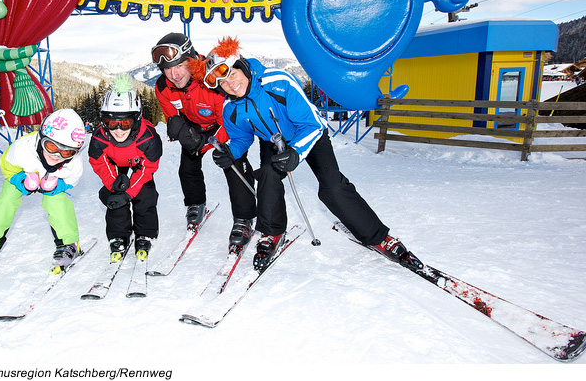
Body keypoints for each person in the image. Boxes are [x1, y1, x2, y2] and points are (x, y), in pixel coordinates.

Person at [198, 37, 421, 270]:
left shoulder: (278, 83)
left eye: (232, 75)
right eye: (222, 83)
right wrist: (230, 152)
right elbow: (242, 138)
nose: (230, 85)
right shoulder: (230, 107)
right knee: (267, 175)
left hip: (306, 131)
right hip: (272, 140)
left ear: (241, 66)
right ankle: (272, 233)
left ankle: (377, 237)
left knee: (332, 187)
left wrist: (295, 151)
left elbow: (312, 124)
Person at [152, 32, 256, 251]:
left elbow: (229, 120)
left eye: (179, 65)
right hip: (194, 126)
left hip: (225, 125)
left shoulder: (211, 80)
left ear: (191, 61)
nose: (174, 74)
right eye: (168, 69)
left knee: (233, 163)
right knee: (187, 167)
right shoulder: (162, 87)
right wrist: (182, 132)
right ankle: (195, 203)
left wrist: (207, 143)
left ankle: (244, 218)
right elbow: (173, 115)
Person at [0, 109, 87, 278]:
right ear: (41, 139)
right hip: (23, 172)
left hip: (52, 179)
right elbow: (7, 166)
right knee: (6, 200)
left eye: (66, 152)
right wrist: (20, 179)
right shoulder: (22, 148)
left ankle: (68, 243)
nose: (56, 156)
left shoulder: (73, 164)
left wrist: (58, 186)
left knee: (57, 202)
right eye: (51, 146)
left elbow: (71, 181)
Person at [88, 74, 163, 262]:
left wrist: (129, 192)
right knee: (115, 199)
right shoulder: (100, 137)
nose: (118, 130)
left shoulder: (148, 138)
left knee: (145, 194)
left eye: (125, 123)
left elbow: (148, 168)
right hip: (114, 165)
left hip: (138, 163)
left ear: (136, 120)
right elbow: (98, 162)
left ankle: (145, 232)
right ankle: (118, 235)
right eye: (111, 123)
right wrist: (113, 183)